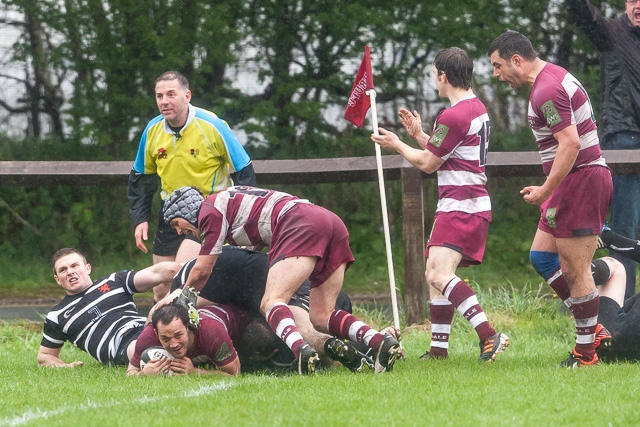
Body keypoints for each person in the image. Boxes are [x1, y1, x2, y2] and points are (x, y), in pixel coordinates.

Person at [161, 185, 401, 375]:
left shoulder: (208, 212)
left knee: (271, 301)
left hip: (298, 221)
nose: (179, 231)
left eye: (176, 223)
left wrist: (185, 298)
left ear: (188, 209)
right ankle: (380, 341)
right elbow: (254, 236)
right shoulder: (226, 203)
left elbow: (203, 269)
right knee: (321, 316)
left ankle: (300, 351)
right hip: (329, 220)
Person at [370, 47, 509, 363]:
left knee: (436, 275)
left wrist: (396, 144)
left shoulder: (454, 115)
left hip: (459, 205)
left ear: (443, 76)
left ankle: (489, 335)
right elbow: (445, 151)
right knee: (437, 275)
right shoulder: (476, 109)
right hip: (468, 203)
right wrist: (419, 135)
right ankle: (438, 351)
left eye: (435, 75)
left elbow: (428, 164)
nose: (435, 81)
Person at [488, 31, 613, 367]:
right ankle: (593, 327)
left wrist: (545, 189)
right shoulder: (550, 78)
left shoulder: (546, 89)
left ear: (517, 60)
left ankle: (585, 354)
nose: (496, 74)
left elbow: (570, 144)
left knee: (575, 269)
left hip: (582, 180)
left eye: (498, 66)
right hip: (570, 183)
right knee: (542, 257)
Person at [128, 70, 256, 303]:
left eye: (170, 94)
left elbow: (244, 171)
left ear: (187, 96)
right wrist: (140, 218)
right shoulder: (152, 130)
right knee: (160, 287)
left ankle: (188, 333)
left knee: (182, 275)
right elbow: (141, 177)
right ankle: (166, 333)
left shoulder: (212, 125)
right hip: (170, 212)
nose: (164, 101)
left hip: (207, 211)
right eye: (159, 96)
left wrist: (244, 218)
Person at [170, 246, 377, 373]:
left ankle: (341, 347)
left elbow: (167, 287)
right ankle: (371, 340)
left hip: (279, 286)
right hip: (313, 287)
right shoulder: (201, 269)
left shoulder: (194, 282)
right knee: (314, 323)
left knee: (304, 328)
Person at [566, 0, 640, 300]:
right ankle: (618, 303)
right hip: (625, 138)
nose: (638, 6)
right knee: (625, 226)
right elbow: (584, 14)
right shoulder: (611, 32)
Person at [37, 248, 181, 367]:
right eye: (63, 270)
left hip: (148, 327)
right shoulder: (57, 315)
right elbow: (45, 356)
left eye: (74, 266)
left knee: (167, 308)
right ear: (57, 279)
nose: (70, 272)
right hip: (122, 345)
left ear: (87, 268)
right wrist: (66, 367)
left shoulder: (115, 281)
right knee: (147, 350)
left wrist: (190, 269)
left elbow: (156, 273)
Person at [127, 302, 247, 376]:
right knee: (132, 348)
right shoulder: (148, 337)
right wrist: (143, 374)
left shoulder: (211, 332)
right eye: (165, 339)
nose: (174, 344)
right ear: (156, 333)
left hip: (241, 325)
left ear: (188, 327)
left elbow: (234, 373)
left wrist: (195, 372)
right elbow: (130, 372)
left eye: (178, 335)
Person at [592, 257, 640, 362]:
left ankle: (568, 276)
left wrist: (606, 241)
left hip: (610, 342)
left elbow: (628, 306)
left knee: (616, 267)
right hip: (618, 342)